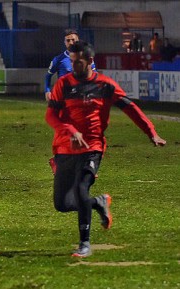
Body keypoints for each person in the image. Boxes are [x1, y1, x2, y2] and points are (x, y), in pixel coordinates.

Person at [45, 41, 166, 258]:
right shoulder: (63, 84)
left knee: (82, 189)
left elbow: (130, 107)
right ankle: (98, 202)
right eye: (72, 62)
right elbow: (51, 115)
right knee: (62, 204)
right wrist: (70, 130)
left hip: (93, 148)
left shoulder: (105, 85)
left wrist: (151, 132)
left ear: (91, 61)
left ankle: (84, 243)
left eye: (79, 63)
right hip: (65, 148)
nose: (74, 67)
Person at [44, 29, 96, 174]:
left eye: (73, 40)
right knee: (67, 131)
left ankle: (82, 163)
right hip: (64, 101)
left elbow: (94, 75)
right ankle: (82, 164)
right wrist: (47, 90)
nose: (71, 42)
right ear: (64, 42)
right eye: (68, 40)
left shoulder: (87, 57)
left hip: (81, 100)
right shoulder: (59, 59)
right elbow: (47, 76)